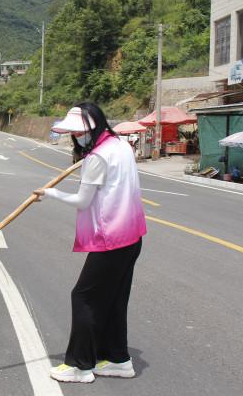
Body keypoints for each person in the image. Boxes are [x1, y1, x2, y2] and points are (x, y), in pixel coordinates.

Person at [33, 103, 146, 384]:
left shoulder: (97, 156)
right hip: (132, 236)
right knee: (114, 298)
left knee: (83, 297)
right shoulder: (120, 146)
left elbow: (83, 201)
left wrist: (50, 193)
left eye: (79, 133)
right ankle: (119, 359)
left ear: (91, 130)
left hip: (111, 238)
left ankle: (79, 365)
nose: (76, 138)